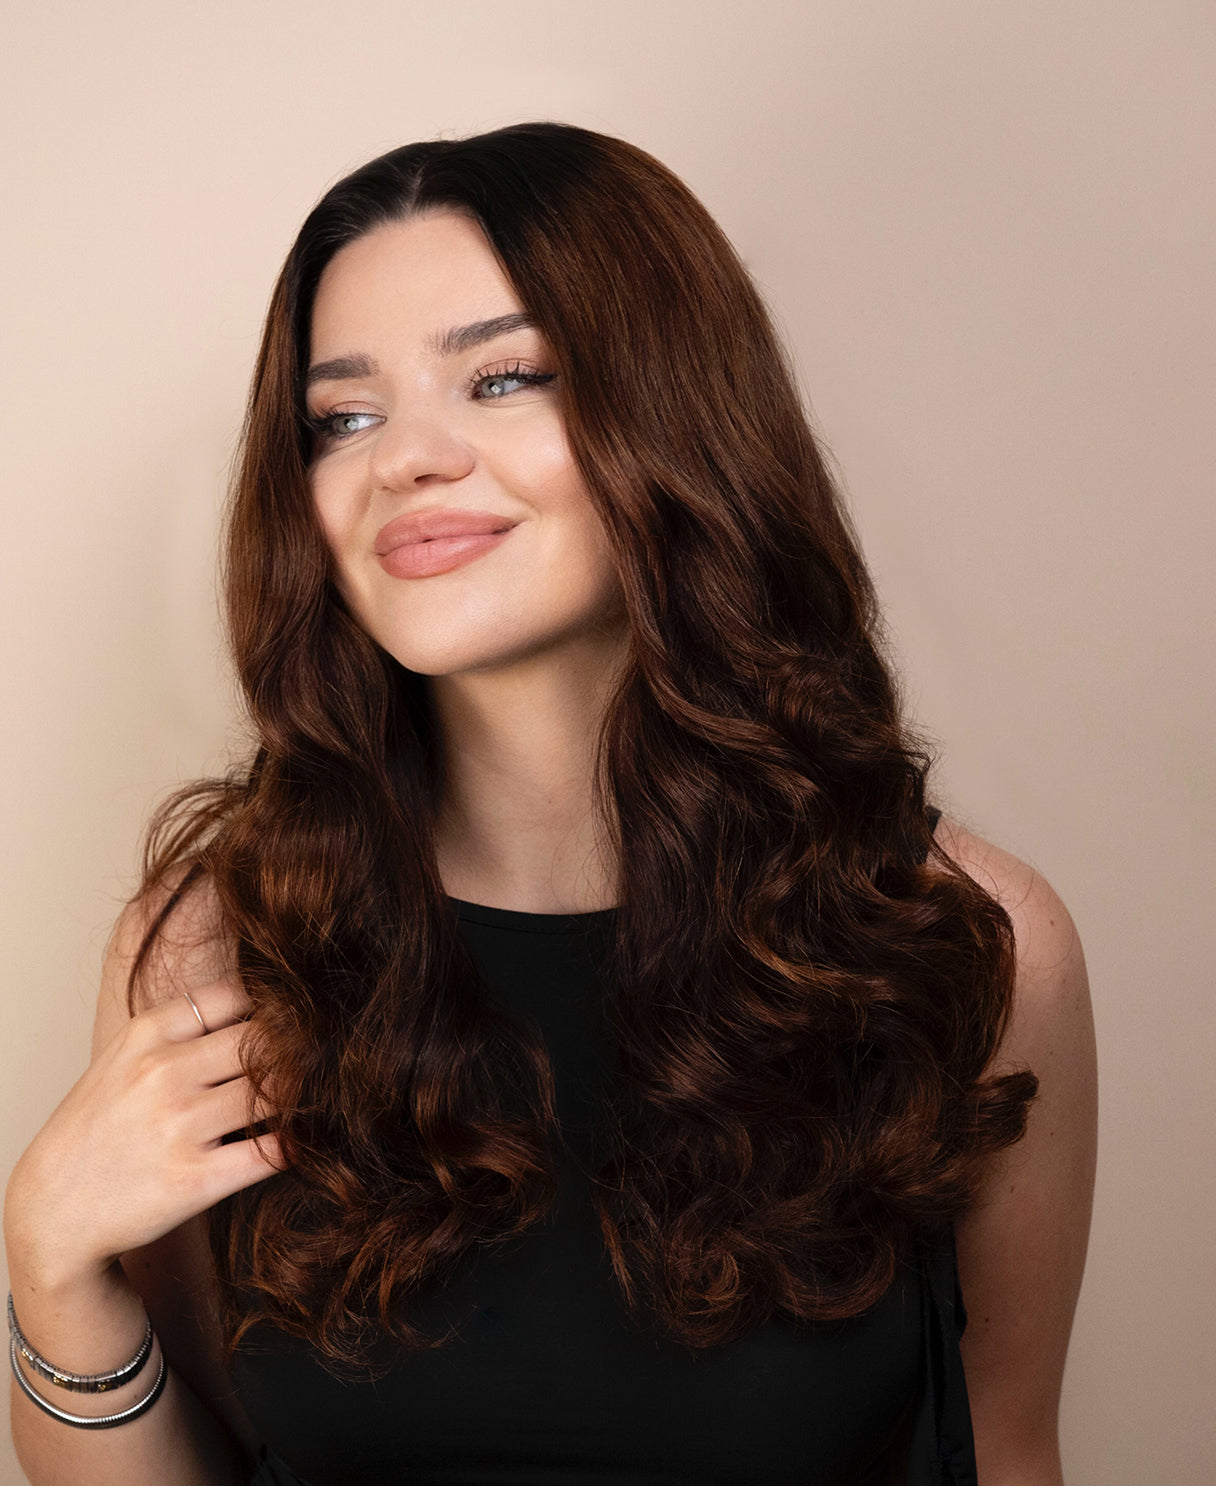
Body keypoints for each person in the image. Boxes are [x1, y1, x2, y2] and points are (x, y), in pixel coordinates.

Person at [4, 121, 1096, 1486]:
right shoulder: (218, 948)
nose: (405, 456)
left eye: (503, 376)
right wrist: (51, 1268)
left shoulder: (958, 941)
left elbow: (1005, 1447)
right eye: (343, 415)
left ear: (673, 407)